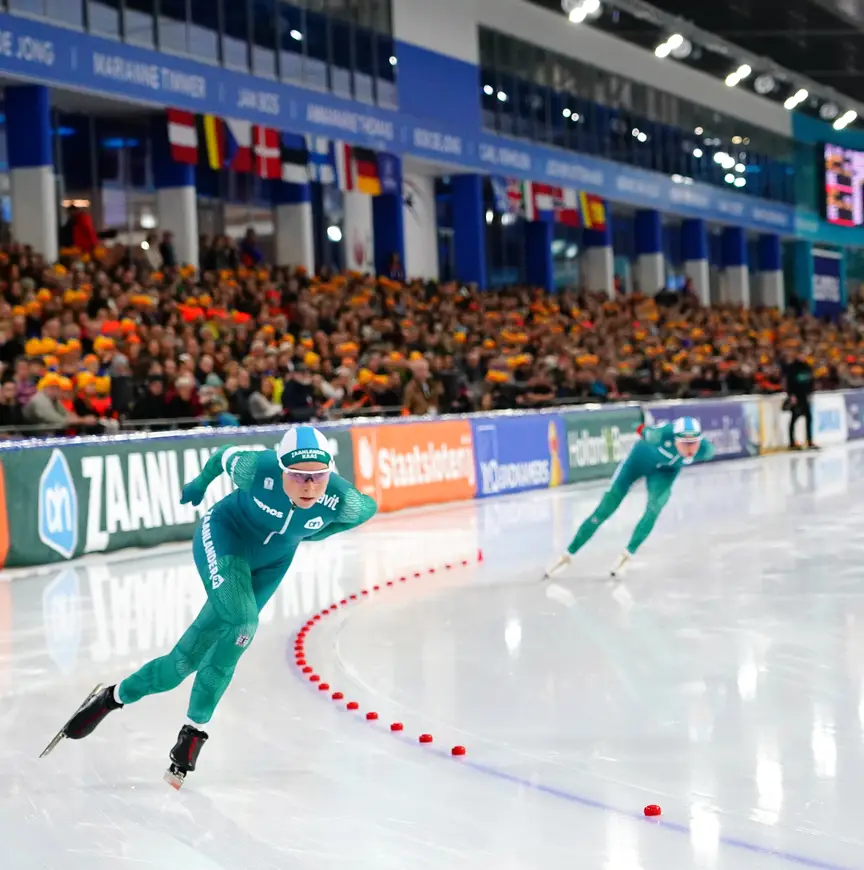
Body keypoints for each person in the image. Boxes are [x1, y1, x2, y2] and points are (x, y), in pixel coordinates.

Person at [42, 426, 378, 788]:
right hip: (225, 534)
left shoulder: (344, 500)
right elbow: (223, 456)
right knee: (244, 622)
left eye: (318, 476)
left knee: (182, 663)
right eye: (298, 476)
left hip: (272, 563)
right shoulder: (257, 468)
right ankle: (193, 736)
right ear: (281, 469)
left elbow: (366, 510)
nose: (309, 485)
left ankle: (113, 697)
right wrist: (200, 485)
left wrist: (309, 533)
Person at [545, 417, 715, 580]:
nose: (690, 449)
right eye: (685, 444)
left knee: (654, 508)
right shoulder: (660, 434)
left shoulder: (705, 450)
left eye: (694, 443)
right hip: (637, 463)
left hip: (665, 472)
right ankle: (569, 553)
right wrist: (640, 428)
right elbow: (640, 428)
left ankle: (628, 554)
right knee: (605, 508)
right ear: (675, 439)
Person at [783, 351, 818, 450]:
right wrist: (791, 395)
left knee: (809, 418)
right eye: (801, 354)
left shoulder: (807, 367)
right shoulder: (792, 367)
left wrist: (811, 393)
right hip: (797, 397)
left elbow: (811, 381)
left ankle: (809, 441)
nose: (803, 356)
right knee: (794, 419)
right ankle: (792, 442)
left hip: (805, 397)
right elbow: (788, 383)